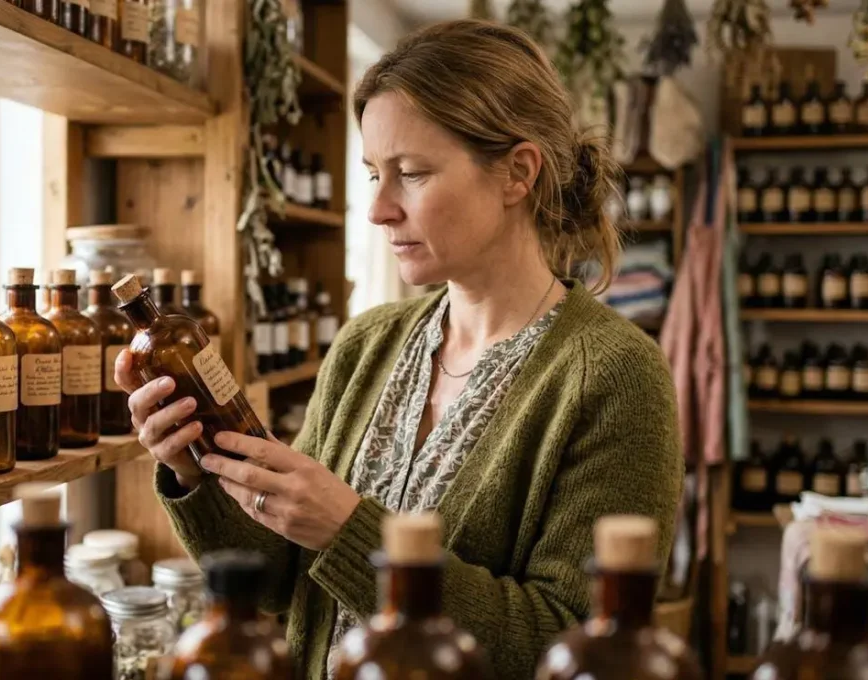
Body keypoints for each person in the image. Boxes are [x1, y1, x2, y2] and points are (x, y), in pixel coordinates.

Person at [115, 19, 683, 680]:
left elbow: (578, 649)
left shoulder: (615, 378)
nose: (379, 209)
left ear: (517, 174)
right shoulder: (367, 344)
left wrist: (352, 531)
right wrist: (192, 469)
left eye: (410, 174)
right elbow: (276, 581)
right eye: (372, 175)